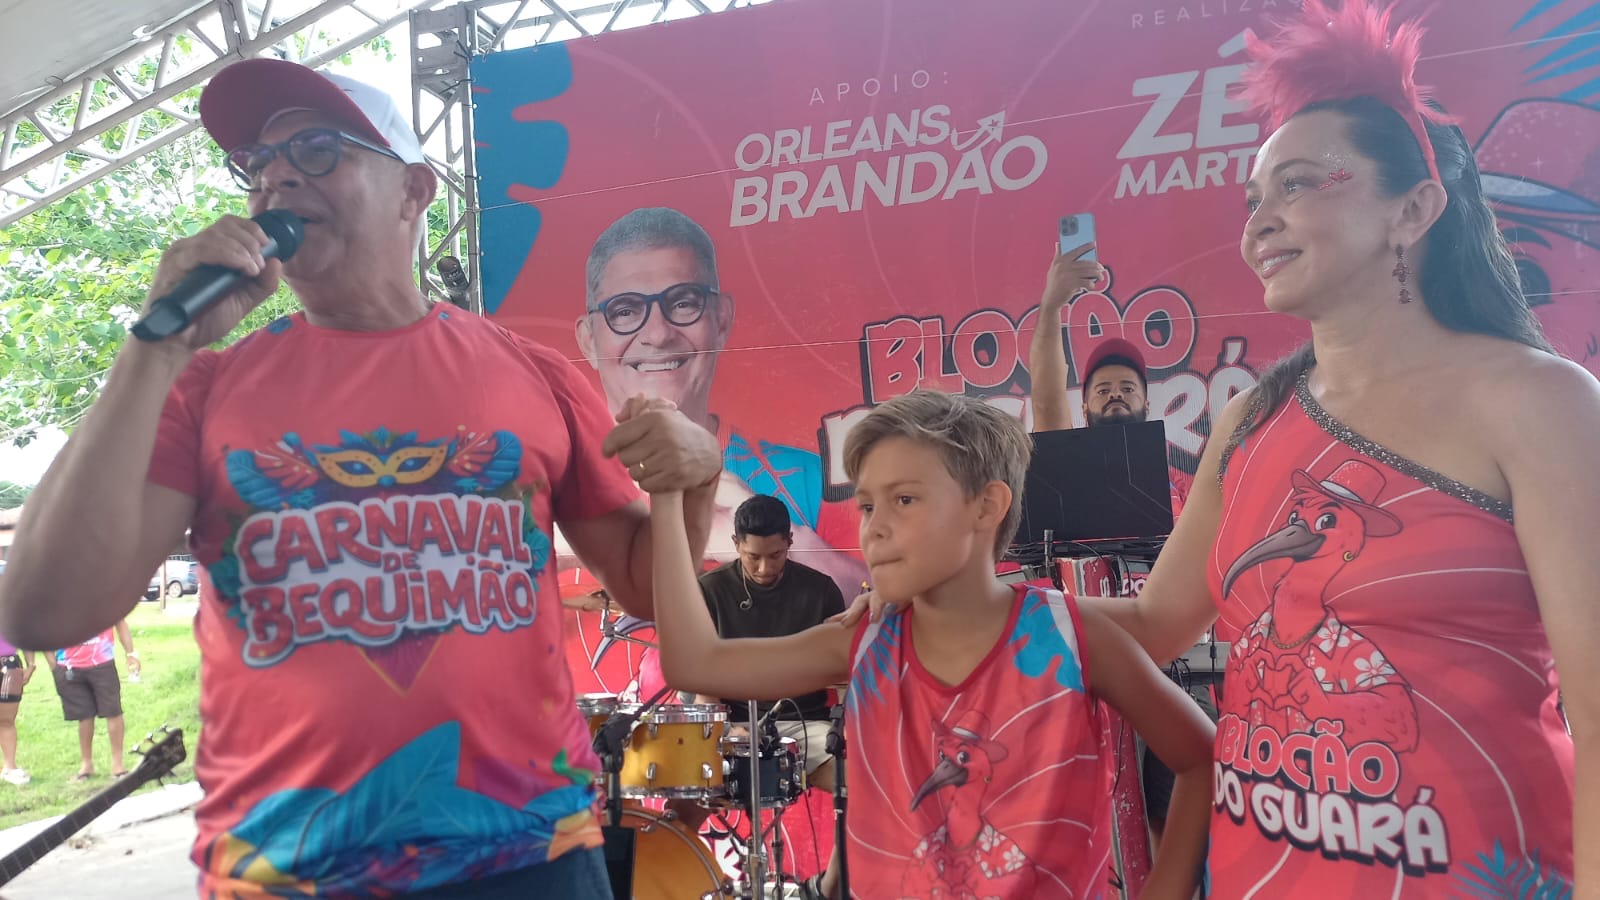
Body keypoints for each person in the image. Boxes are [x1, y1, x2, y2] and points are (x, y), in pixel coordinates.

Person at [852, 1, 1596, 893]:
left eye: (1298, 185)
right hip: (1261, 872)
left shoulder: (1539, 402)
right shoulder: (1249, 422)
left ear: (1414, 208)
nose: (1259, 224)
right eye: (1254, 199)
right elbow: (1155, 623)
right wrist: (966, 606)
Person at [0, 59, 722, 898]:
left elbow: (641, 583)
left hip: (530, 854)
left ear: (414, 190)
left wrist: (697, 479)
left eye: (314, 148)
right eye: (256, 164)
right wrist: (155, 346)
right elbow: (44, 613)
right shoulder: (204, 386)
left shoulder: (534, 374)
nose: (275, 177)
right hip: (285, 870)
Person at [646, 390, 1215, 900]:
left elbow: (1199, 758)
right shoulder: (863, 641)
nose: (874, 527)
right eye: (867, 505)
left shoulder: (1073, 636)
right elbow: (695, 661)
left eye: (904, 500)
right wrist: (669, 497)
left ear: (986, 506)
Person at [576, 207, 867, 594]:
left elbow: (886, 612)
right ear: (589, 340)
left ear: (722, 320)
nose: (658, 334)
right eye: (625, 311)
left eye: (683, 303)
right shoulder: (537, 494)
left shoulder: (813, 481)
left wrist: (764, 540)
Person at [671, 493, 846, 831]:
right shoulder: (708, 591)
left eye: (775, 555)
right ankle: (677, 865)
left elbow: (841, 673)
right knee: (683, 809)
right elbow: (699, 682)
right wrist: (725, 733)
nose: (765, 568)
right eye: (753, 557)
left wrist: (845, 728)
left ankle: (837, 870)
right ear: (736, 543)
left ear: (789, 542)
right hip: (730, 722)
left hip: (802, 723)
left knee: (859, 788)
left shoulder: (821, 591)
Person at [45, 620, 139, 780]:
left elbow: (120, 623)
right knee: (84, 716)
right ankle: (86, 765)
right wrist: (53, 665)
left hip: (102, 662)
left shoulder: (104, 604)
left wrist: (130, 654)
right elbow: (44, 630)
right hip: (69, 666)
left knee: (113, 711)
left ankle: (118, 766)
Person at [0, 629, 37, 785]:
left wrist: (31, 664)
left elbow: (25, 633)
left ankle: (9, 767)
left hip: (9, 665)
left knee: (6, 720)